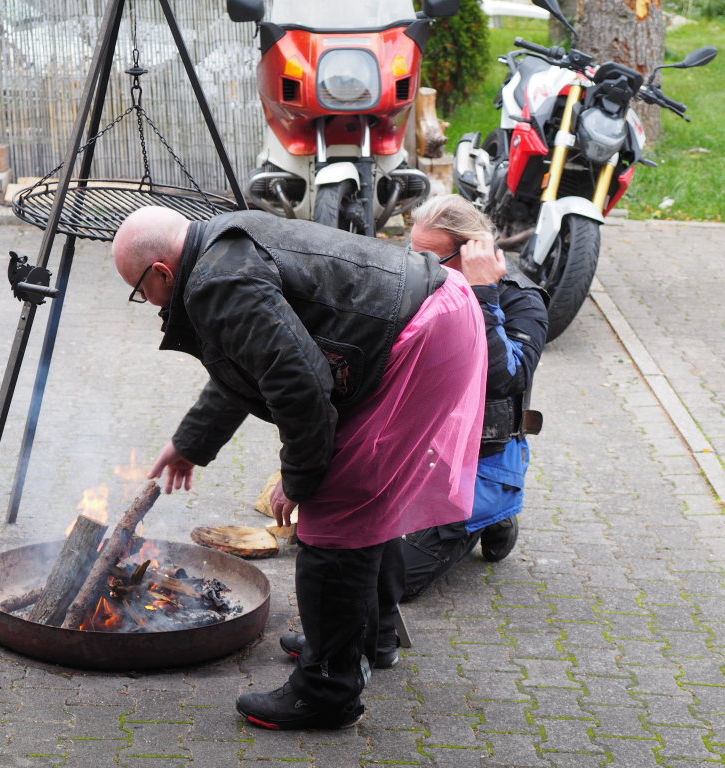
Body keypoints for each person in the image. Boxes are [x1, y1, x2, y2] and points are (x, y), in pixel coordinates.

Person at [113, 206, 487, 730]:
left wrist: (300, 479)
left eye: (140, 290)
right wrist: (191, 442)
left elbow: (301, 386)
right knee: (362, 501)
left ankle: (327, 691)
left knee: (335, 512)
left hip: (420, 335)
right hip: (438, 311)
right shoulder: (220, 247)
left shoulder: (216, 283)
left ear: (161, 272)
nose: (147, 302)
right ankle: (365, 638)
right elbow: (250, 361)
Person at [401, 194, 548, 598]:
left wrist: (482, 294)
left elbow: (506, 378)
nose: (420, 268)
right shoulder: (417, 275)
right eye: (414, 254)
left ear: (473, 252)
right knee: (336, 541)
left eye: (432, 259)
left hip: (479, 459)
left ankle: (492, 515)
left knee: (392, 580)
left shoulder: (522, 299)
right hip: (418, 445)